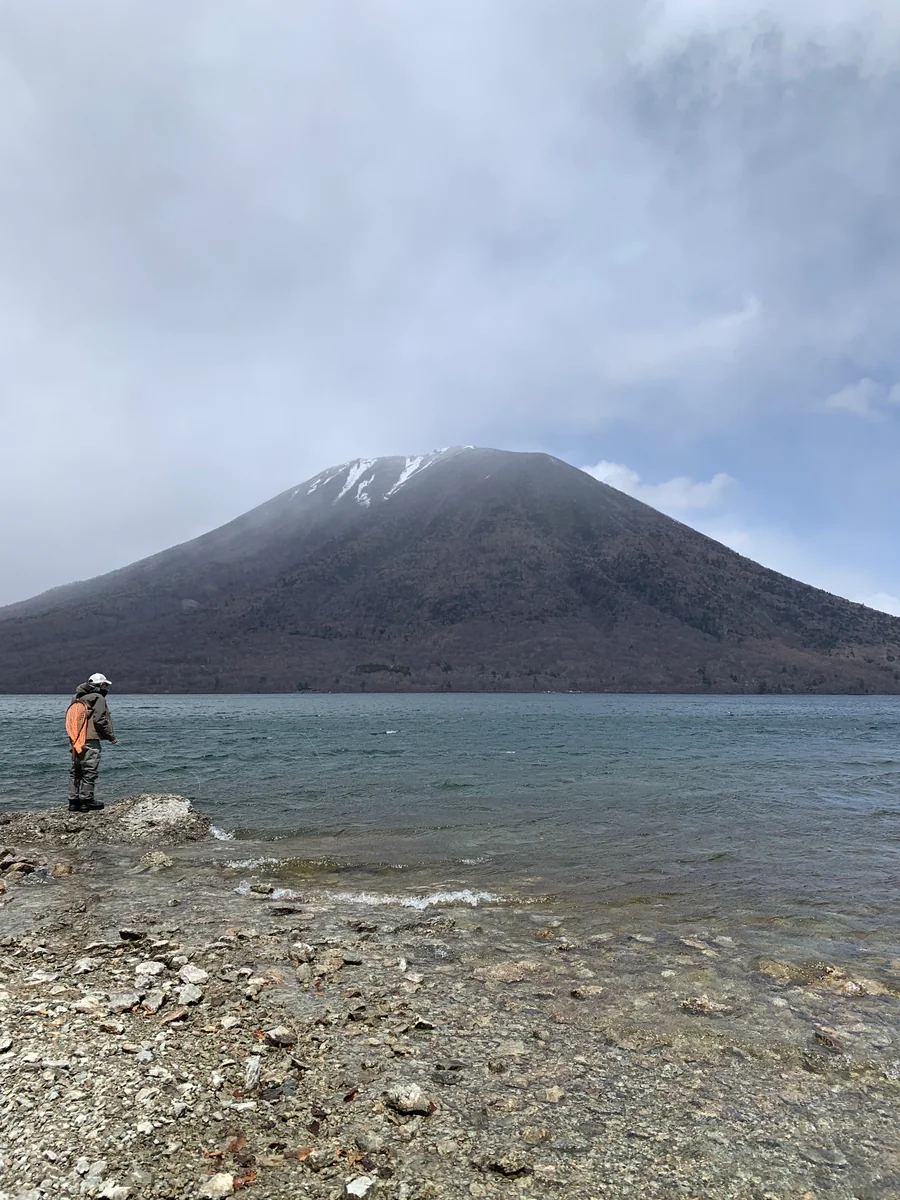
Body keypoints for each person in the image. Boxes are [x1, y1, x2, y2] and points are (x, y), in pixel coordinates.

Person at [67, 673, 118, 812]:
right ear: (100, 685)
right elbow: (100, 719)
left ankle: (73, 801)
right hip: (90, 738)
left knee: (76, 771)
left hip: (75, 739)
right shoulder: (98, 698)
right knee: (89, 770)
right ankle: (86, 801)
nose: (106, 687)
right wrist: (110, 737)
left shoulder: (76, 697)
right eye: (105, 685)